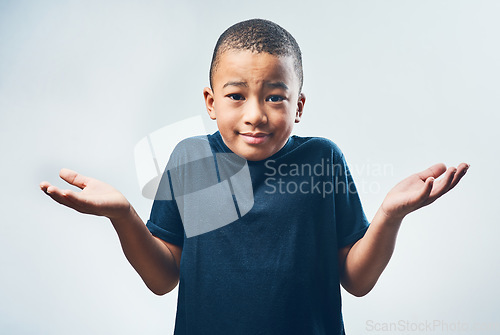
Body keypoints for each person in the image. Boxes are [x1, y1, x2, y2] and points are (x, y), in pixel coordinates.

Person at [40, 19, 469, 335]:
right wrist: (123, 216)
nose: (255, 114)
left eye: (275, 97)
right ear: (211, 102)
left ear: (298, 106)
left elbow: (356, 280)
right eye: (236, 96)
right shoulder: (189, 160)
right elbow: (162, 278)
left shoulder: (323, 160)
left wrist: (390, 215)